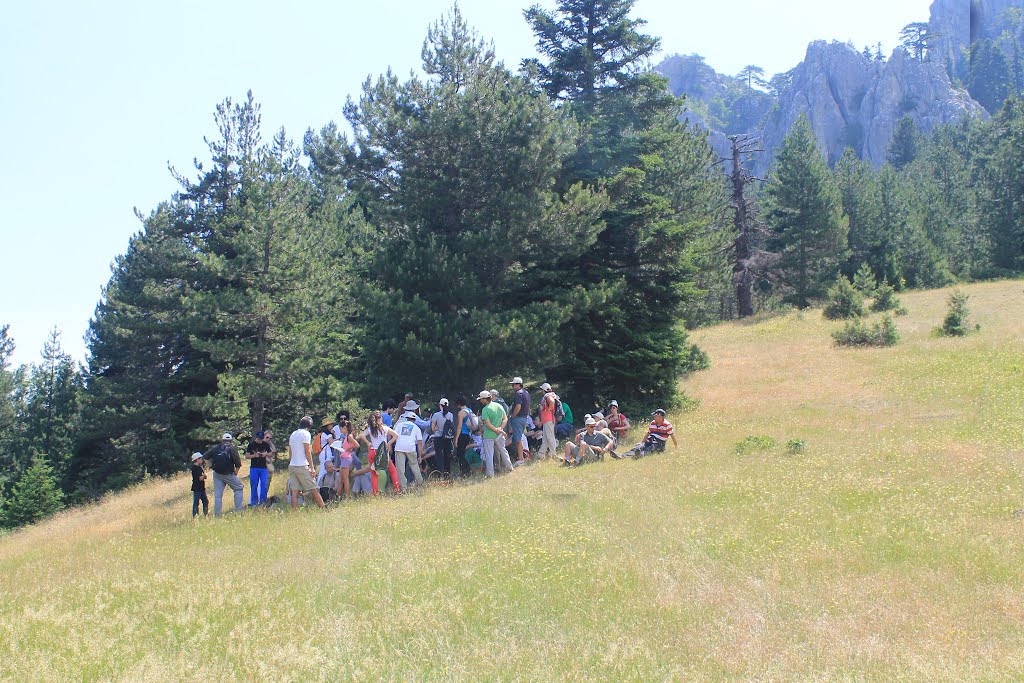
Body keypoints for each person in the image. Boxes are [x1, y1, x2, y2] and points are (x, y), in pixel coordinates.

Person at [288, 416, 327, 510]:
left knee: (294, 491)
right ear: (309, 425)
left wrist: (291, 461)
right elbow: (307, 451)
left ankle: (295, 512)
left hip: (292, 465)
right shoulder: (306, 434)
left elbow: (290, 450)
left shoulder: (293, 434)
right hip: (302, 465)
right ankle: (324, 508)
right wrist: (312, 467)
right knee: (313, 488)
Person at [358, 410, 400, 495]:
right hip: (382, 452)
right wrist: (388, 443)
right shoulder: (385, 428)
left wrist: (368, 443)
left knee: (374, 473)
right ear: (380, 419)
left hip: (372, 451)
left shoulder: (370, 429)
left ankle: (375, 493)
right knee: (392, 470)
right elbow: (396, 435)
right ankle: (397, 489)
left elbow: (361, 435)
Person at [203, 433, 243, 517]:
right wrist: (236, 472)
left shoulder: (216, 448)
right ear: (231, 440)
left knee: (218, 496)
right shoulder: (232, 448)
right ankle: (238, 512)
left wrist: (211, 465)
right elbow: (238, 463)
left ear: (222, 440)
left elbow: (205, 457)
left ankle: (217, 515)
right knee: (239, 488)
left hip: (217, 473)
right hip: (228, 474)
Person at [478, 390, 513, 477]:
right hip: (499, 434)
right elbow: (505, 419)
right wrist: (500, 429)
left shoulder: (485, 409)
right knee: (503, 451)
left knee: (489, 454)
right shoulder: (499, 406)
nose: (480, 401)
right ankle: (509, 467)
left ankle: (490, 473)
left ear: (484, 399)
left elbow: (487, 423)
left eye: (481, 399)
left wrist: (495, 430)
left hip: (489, 435)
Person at [393, 404, 425, 490]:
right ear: (414, 420)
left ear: (407, 418)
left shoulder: (400, 425)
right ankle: (420, 483)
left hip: (399, 447)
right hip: (410, 448)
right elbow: (419, 443)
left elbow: (394, 435)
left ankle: (403, 487)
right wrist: (420, 456)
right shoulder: (416, 428)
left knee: (400, 468)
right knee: (414, 466)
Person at [508, 377, 531, 465]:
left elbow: (518, 406)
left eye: (513, 385)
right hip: (524, 418)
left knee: (518, 439)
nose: (512, 386)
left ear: (518, 384)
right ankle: (521, 457)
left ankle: (521, 459)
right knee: (519, 437)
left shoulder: (518, 393)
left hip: (518, 418)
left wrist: (513, 416)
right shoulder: (526, 393)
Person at [245, 430, 272, 506]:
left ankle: (263, 501)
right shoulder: (251, 444)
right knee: (254, 485)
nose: (260, 440)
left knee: (264, 484)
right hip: (254, 467)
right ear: (256, 438)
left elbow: (270, 453)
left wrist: (265, 454)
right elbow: (246, 456)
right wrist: (254, 456)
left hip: (263, 468)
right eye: (258, 439)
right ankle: (254, 502)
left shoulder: (265, 444)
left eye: (261, 438)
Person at [333, 417, 358, 500]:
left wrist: (348, 449)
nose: (340, 431)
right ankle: (338, 496)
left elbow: (357, 445)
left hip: (347, 458)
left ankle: (347, 497)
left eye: (341, 429)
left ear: (344, 428)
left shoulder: (349, 436)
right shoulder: (346, 436)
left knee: (345, 479)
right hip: (344, 458)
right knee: (340, 479)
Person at [429, 398, 455, 475]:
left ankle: (441, 473)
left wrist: (437, 428)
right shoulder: (451, 415)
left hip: (438, 437)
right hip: (447, 438)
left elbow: (432, 429)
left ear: (440, 405)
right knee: (447, 455)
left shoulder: (436, 415)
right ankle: (448, 473)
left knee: (439, 456)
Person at [452, 395, 476, 477]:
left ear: (458, 404)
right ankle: (466, 470)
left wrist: (456, 439)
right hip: (468, 434)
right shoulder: (470, 410)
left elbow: (459, 427)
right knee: (462, 453)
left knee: (460, 454)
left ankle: (465, 471)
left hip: (462, 434)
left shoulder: (461, 412)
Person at [537, 383, 559, 459]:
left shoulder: (547, 396)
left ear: (544, 390)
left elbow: (552, 402)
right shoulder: (550, 395)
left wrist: (548, 410)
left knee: (550, 437)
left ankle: (553, 454)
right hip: (548, 420)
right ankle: (541, 454)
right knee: (545, 438)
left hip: (548, 419)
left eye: (542, 390)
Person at [190, 452, 209, 518]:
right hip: (197, 488)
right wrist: (203, 476)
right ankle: (195, 516)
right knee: (196, 502)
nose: (202, 460)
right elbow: (201, 478)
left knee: (205, 501)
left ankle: (206, 515)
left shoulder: (200, 468)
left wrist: (204, 476)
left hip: (201, 488)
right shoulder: (194, 468)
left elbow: (204, 476)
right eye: (201, 459)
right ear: (197, 459)